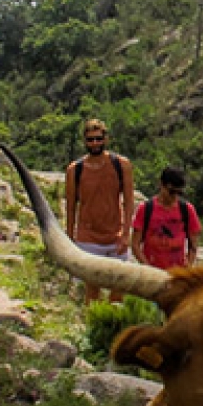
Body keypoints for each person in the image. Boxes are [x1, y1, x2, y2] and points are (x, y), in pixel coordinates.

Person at [64, 118, 135, 304]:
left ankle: (113, 328)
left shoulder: (121, 165)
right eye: (90, 140)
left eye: (98, 139)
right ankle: (94, 328)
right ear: (84, 142)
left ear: (106, 139)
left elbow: (129, 202)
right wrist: (69, 238)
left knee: (118, 290)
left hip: (115, 236)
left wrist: (126, 234)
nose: (94, 143)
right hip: (88, 237)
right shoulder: (75, 170)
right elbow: (71, 206)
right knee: (92, 291)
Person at [131, 167, 202, 270]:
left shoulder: (187, 210)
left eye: (179, 193)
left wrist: (188, 266)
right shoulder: (145, 209)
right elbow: (135, 245)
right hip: (151, 270)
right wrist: (147, 267)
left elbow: (193, 245)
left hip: (177, 272)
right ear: (161, 184)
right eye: (171, 192)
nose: (174, 196)